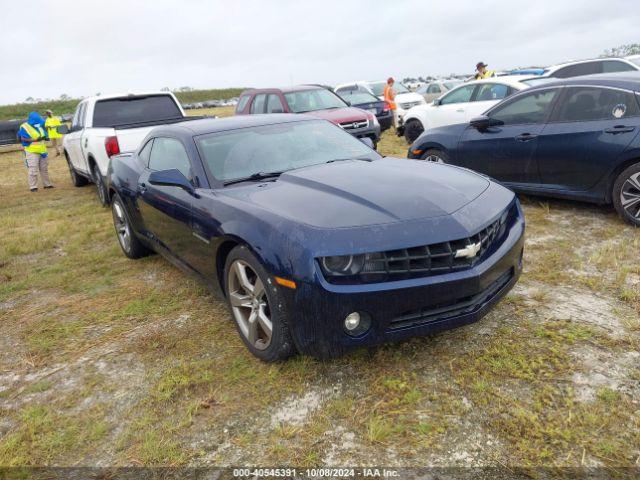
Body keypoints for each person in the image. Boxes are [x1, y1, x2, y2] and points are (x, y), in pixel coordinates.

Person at [18, 112, 52, 192]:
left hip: (42, 150)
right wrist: (35, 140)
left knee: (44, 168)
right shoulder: (24, 126)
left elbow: (44, 134)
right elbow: (22, 138)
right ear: (31, 120)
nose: (38, 123)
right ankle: (33, 187)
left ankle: (47, 184)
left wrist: (46, 137)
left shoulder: (39, 126)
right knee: (33, 169)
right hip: (31, 150)